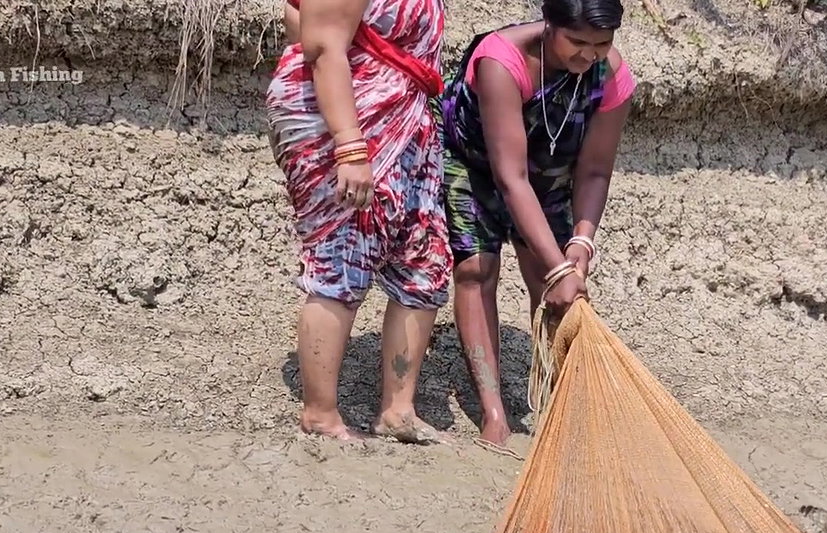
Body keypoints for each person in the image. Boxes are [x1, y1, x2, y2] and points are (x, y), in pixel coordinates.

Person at [440, 0, 636, 446]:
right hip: (474, 165)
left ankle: (555, 405)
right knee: (476, 269)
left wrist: (580, 245)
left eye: (601, 44)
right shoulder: (501, 61)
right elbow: (510, 178)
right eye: (577, 42)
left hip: (549, 172)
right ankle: (493, 412)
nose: (588, 55)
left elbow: (594, 172)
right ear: (549, 25)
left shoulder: (612, 77)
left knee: (552, 286)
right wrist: (560, 267)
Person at [266, 0, 450, 443]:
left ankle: (398, 411)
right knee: (343, 255)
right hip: (349, 124)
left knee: (424, 262)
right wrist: (349, 145)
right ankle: (321, 415)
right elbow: (322, 44)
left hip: (405, 118)